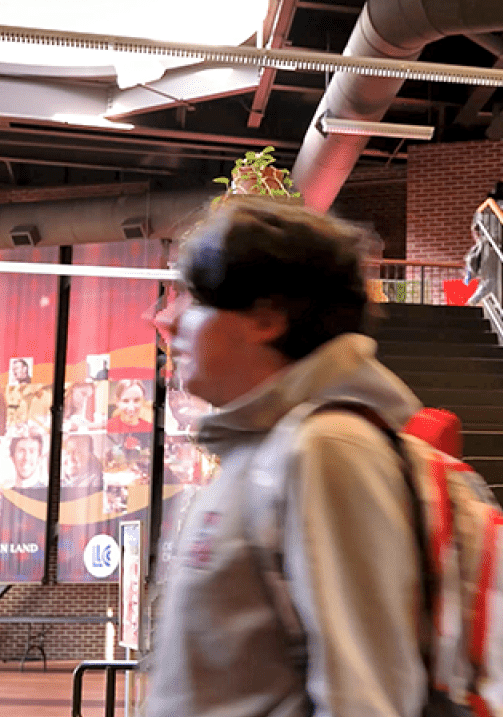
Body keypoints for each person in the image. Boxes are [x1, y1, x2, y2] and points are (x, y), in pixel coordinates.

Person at [145, 195, 428, 717]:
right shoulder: (259, 448)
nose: (167, 319)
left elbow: (364, 699)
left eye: (194, 297)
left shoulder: (328, 448)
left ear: (266, 318)